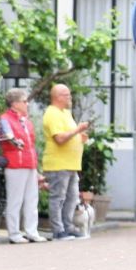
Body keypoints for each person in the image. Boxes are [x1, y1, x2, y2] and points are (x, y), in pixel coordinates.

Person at [0, 88, 47, 244]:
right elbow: (7, 136)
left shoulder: (26, 121)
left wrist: (36, 169)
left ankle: (32, 231)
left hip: (29, 164)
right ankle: (14, 233)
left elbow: (31, 145)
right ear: (15, 103)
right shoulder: (5, 118)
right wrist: (13, 140)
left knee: (32, 200)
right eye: (25, 101)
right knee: (15, 200)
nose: (27, 104)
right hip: (15, 164)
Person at [42, 84, 90, 240]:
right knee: (58, 197)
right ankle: (58, 230)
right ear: (58, 97)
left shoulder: (66, 113)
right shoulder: (52, 113)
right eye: (67, 95)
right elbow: (59, 138)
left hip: (71, 164)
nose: (70, 98)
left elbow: (69, 135)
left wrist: (79, 137)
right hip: (58, 164)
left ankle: (68, 227)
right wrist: (77, 130)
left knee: (71, 197)